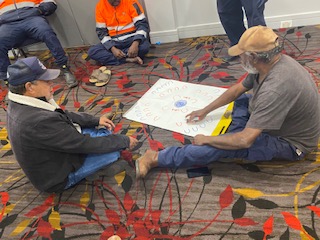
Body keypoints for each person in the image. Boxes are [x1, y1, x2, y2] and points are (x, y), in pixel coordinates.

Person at [136, 26, 320, 178]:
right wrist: (205, 110)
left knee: (217, 148)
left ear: (254, 57)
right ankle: (233, 133)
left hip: (290, 142)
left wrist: (208, 139)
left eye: (241, 54)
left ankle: (155, 157)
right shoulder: (270, 63)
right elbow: (237, 90)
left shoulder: (275, 87)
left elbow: (245, 140)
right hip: (277, 117)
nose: (239, 58)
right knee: (240, 100)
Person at [6, 57, 138, 193]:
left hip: (54, 151)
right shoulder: (37, 122)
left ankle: (99, 152)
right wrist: (124, 140)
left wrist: (95, 120)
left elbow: (61, 115)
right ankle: (92, 171)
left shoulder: (19, 100)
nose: (51, 83)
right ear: (30, 87)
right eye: (46, 81)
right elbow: (83, 144)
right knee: (113, 151)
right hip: (57, 178)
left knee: (100, 132)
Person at [0, 0, 78, 88]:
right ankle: (8, 81)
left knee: (47, 33)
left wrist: (39, 10)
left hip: (32, 19)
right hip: (8, 25)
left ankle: (65, 68)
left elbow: (51, 3)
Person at [88, 0, 150, 66]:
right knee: (92, 52)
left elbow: (142, 24)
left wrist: (135, 44)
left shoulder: (132, 2)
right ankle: (127, 59)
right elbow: (101, 32)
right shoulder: (100, 6)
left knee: (144, 47)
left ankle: (119, 57)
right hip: (113, 42)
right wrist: (112, 48)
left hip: (132, 39)